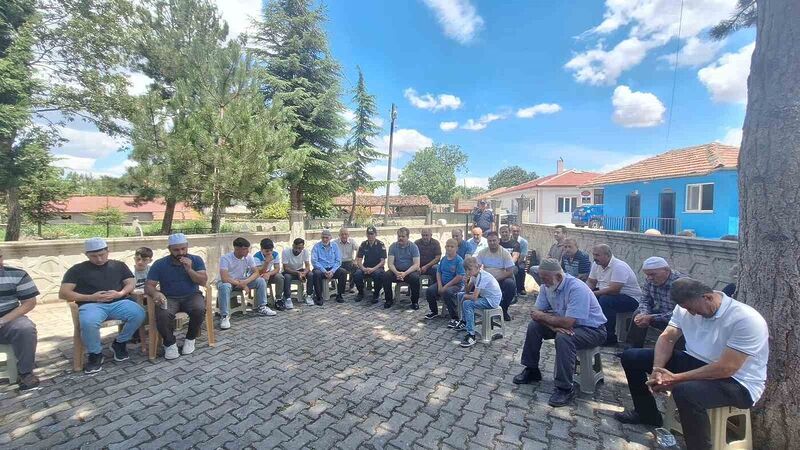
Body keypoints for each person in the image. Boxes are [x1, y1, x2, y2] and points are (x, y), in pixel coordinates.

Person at [615, 278, 769, 450]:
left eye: (692, 308)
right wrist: (657, 369)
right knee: (632, 357)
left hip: (738, 382)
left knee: (685, 391)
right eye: (687, 309)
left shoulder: (745, 319)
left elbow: (726, 368)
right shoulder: (684, 308)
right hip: (697, 361)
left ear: (708, 297)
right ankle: (647, 414)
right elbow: (668, 338)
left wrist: (676, 379)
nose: (691, 313)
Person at [512, 259, 607, 407]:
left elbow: (568, 323)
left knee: (564, 338)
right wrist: (552, 326)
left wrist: (546, 319)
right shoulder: (546, 286)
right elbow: (535, 313)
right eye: (541, 278)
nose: (542, 282)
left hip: (593, 330)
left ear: (559, 277)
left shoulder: (576, 288)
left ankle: (565, 388)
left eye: (545, 278)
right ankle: (531, 369)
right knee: (534, 326)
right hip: (564, 324)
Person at [60, 238, 146, 373]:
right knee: (88, 322)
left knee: (139, 313)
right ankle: (95, 354)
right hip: (91, 305)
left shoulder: (118, 266)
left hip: (118, 302)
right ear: (86, 255)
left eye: (102, 255)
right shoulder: (77, 270)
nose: (99, 259)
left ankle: (120, 343)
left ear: (108, 251)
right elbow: (64, 293)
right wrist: (90, 297)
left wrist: (120, 293)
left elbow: (131, 282)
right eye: (94, 256)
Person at [145, 233, 208, 360]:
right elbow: (149, 286)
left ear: (187, 247)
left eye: (183, 249)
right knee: (162, 314)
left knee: (199, 309)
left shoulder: (196, 260)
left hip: (192, 295)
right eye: (176, 250)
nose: (180, 252)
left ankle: (190, 339)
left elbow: (202, 281)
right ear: (169, 249)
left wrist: (189, 269)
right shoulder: (160, 264)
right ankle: (170, 344)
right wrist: (156, 293)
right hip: (169, 297)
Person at [0, 250, 41, 390]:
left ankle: (26, 373)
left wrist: (3, 320)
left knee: (25, 328)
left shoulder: (17, 274)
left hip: (9, 317)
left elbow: (29, 302)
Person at [587, 244, 642, 346]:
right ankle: (592, 331)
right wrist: (586, 293)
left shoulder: (619, 266)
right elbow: (591, 281)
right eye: (594, 255)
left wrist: (593, 294)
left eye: (597, 255)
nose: (594, 258)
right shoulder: (596, 264)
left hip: (630, 298)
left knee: (605, 301)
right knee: (586, 298)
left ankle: (609, 337)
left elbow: (614, 290)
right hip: (608, 293)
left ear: (607, 255)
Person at [217, 237, 275, 330]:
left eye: (248, 248)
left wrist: (245, 282)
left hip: (242, 280)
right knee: (224, 286)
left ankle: (262, 307)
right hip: (228, 282)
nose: (248, 251)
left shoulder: (249, 257)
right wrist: (242, 284)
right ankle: (224, 316)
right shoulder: (225, 258)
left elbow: (256, 272)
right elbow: (224, 278)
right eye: (245, 249)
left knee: (260, 280)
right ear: (237, 249)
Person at [630, 257, 686, 348]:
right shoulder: (649, 280)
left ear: (666, 270)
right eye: (647, 275)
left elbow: (683, 313)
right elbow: (645, 299)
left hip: (680, 319)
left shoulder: (681, 284)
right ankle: (635, 348)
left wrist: (651, 317)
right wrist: (644, 314)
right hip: (662, 314)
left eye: (653, 274)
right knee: (638, 315)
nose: (650, 278)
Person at [457, 256, 502, 348]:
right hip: (485, 297)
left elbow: (473, 297)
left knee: (467, 303)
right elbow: (467, 291)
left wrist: (466, 296)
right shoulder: (474, 276)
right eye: (466, 270)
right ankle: (464, 321)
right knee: (461, 295)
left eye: (469, 269)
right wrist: (465, 283)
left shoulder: (482, 277)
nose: (467, 272)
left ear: (477, 267)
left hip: (492, 301)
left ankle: (471, 335)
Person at [476, 231, 517, 322]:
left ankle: (504, 310)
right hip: (486, 280)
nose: (492, 243)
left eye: (494, 240)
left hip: (500, 279)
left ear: (498, 240)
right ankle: (479, 308)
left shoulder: (504, 253)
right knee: (473, 281)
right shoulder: (482, 252)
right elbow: (476, 268)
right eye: (490, 241)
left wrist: (494, 279)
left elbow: (510, 271)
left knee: (510, 284)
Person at [425, 238, 465, 326]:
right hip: (443, 283)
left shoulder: (459, 261)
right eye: (448, 246)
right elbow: (439, 272)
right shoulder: (443, 259)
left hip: (456, 285)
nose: (449, 248)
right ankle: (434, 311)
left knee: (448, 292)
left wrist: (445, 286)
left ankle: (455, 318)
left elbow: (459, 276)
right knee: (430, 291)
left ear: (456, 248)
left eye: (452, 246)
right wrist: (439, 285)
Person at [383, 227, 421, 309]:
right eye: (399, 236)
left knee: (415, 278)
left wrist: (405, 273)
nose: (400, 238)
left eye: (403, 236)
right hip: (396, 271)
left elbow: (416, 265)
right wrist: (397, 273)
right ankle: (388, 300)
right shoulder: (393, 246)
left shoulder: (413, 247)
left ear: (408, 237)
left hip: (409, 271)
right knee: (386, 276)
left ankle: (415, 302)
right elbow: (390, 264)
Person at [311, 229, 347, 305]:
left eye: (326, 237)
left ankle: (339, 295)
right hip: (321, 269)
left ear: (330, 238)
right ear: (321, 237)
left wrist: (332, 271)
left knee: (343, 272)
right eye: (323, 237)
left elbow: (338, 260)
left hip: (332, 269)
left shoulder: (335, 246)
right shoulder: (316, 246)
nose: (325, 239)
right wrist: (324, 271)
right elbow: (314, 261)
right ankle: (319, 297)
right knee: (316, 274)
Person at [353, 226, 386, 303]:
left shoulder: (380, 244)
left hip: (377, 268)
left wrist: (373, 269)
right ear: (366, 235)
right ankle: (361, 292)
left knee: (378, 274)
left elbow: (382, 262)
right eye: (368, 234)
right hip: (366, 267)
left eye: (372, 234)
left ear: (375, 234)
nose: (370, 236)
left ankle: (376, 294)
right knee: (357, 274)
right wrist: (363, 268)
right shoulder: (363, 244)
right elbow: (359, 260)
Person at [253, 238, 289, 310]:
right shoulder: (256, 256)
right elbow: (259, 272)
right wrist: (266, 262)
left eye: (271, 250)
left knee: (280, 277)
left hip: (269, 274)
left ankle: (278, 299)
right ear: (261, 249)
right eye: (267, 251)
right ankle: (263, 302)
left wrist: (269, 273)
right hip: (258, 275)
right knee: (263, 279)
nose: (269, 253)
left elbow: (277, 268)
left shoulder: (275, 254)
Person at [282, 238, 314, 305]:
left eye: (299, 248)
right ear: (293, 245)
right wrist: (298, 273)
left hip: (300, 269)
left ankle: (309, 295)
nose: (297, 250)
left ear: (303, 247)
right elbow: (285, 268)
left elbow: (307, 266)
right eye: (295, 247)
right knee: (287, 277)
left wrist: (304, 273)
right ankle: (287, 298)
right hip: (289, 271)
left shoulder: (305, 251)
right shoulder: (286, 251)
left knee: (311, 274)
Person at [335, 227, 358, 292]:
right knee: (336, 268)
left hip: (349, 261)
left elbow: (359, 249)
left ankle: (351, 286)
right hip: (338, 262)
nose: (344, 236)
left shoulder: (352, 241)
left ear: (348, 235)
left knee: (355, 267)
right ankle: (340, 287)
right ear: (339, 235)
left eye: (345, 234)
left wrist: (355, 260)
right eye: (342, 234)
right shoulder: (335, 243)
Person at [511, 225, 529, 295]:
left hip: (519, 261)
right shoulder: (508, 240)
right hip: (509, 260)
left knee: (520, 269)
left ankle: (521, 288)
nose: (515, 233)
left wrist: (516, 264)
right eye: (514, 231)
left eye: (517, 231)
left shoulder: (523, 242)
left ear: (519, 232)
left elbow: (523, 255)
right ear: (511, 231)